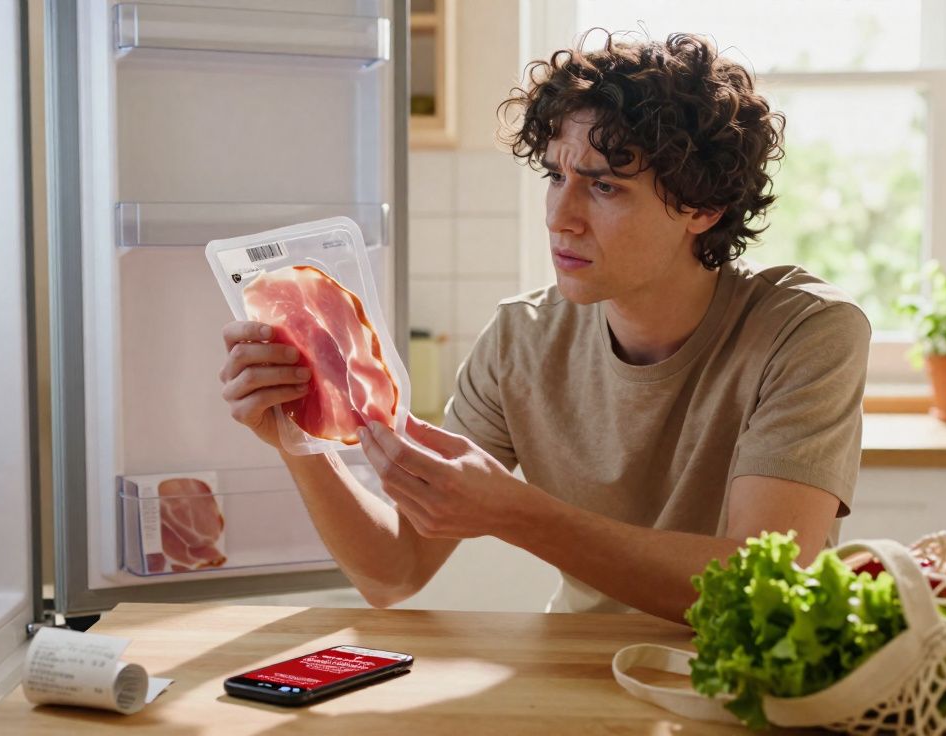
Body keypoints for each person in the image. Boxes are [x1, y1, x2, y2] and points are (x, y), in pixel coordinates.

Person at [217, 32, 870, 624]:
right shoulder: (519, 341)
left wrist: (515, 512)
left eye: (605, 187)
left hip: (749, 684)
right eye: (556, 176)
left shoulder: (805, 332)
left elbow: (764, 586)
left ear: (703, 206)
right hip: (582, 671)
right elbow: (396, 572)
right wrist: (301, 445)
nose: (562, 217)